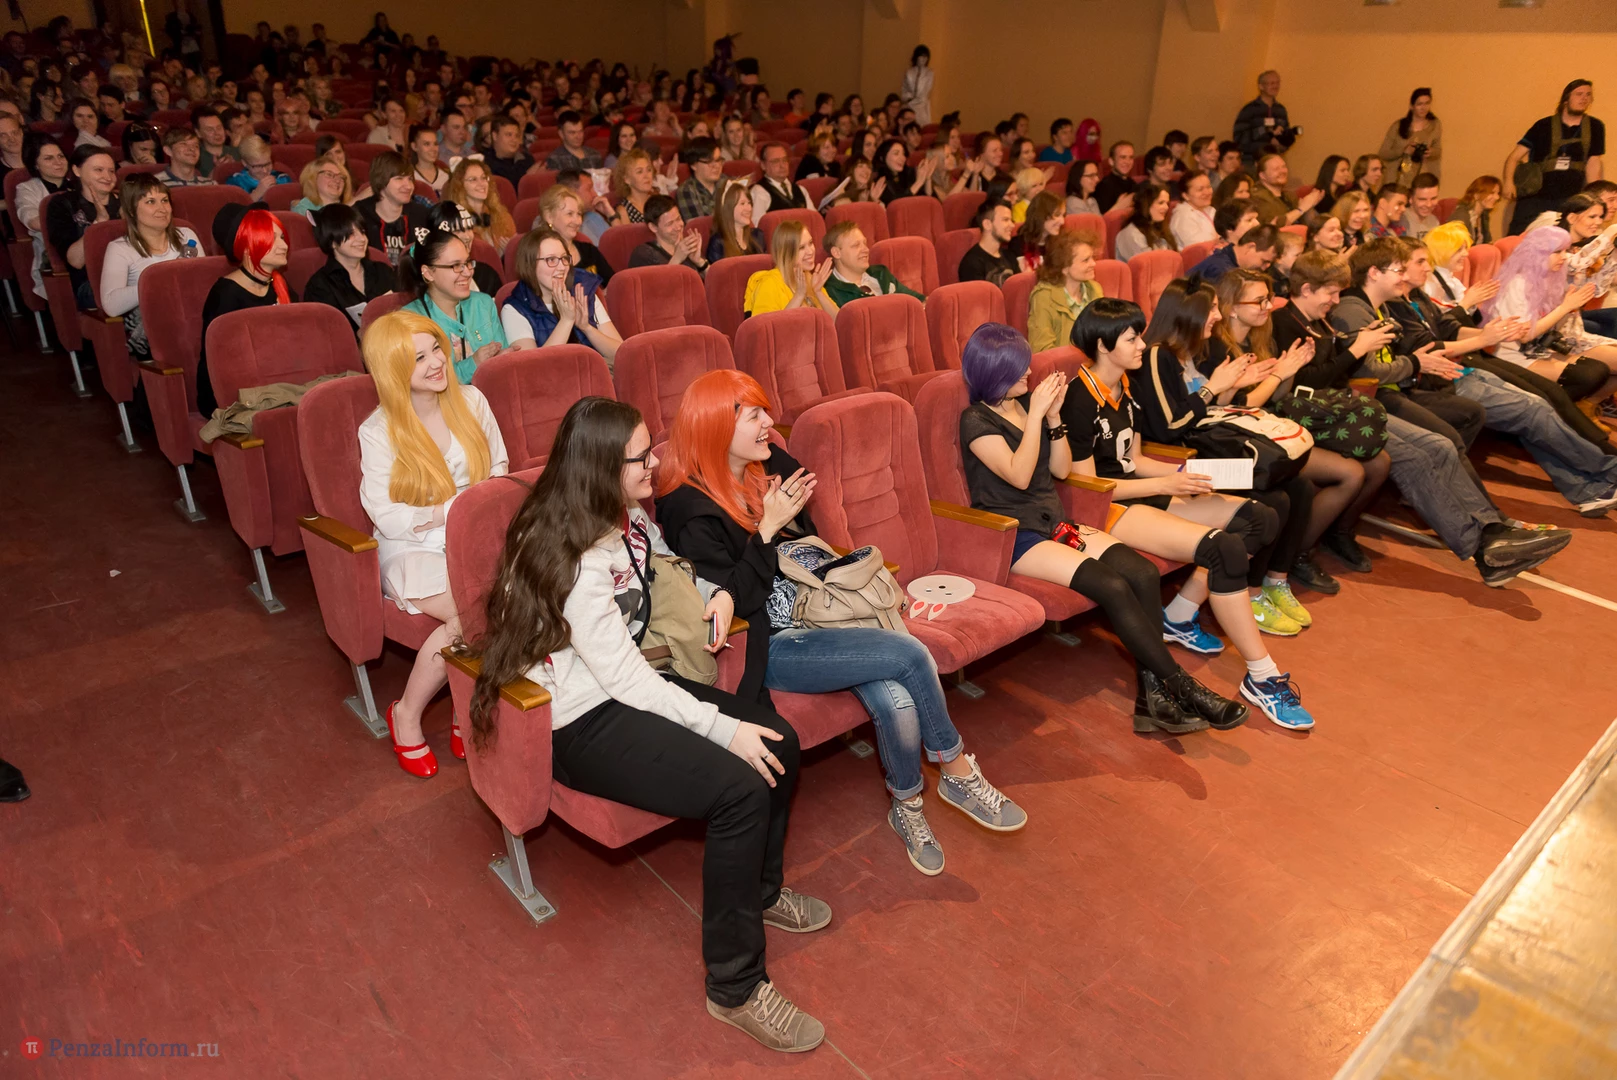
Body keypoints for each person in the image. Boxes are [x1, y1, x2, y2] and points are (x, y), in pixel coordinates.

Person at [468, 394, 828, 1052]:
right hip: (579, 721)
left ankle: (759, 892)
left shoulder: (621, 516)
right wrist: (722, 730)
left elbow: (657, 607)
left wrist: (719, 597)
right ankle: (735, 987)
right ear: (603, 468)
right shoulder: (576, 558)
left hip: (626, 683)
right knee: (740, 788)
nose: (654, 463)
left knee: (781, 742)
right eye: (640, 458)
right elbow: (625, 682)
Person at [659, 368, 1026, 875]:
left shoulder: (764, 462)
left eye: (766, 411)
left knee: (896, 696)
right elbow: (736, 601)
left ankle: (907, 805)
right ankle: (957, 769)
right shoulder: (686, 508)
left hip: (825, 608)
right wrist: (765, 530)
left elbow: (807, 530)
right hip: (775, 641)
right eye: (755, 415)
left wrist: (778, 519)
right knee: (910, 653)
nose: (769, 423)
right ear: (718, 427)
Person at [957, 322, 1246, 732]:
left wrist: (1052, 418)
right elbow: (1019, 476)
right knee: (1112, 586)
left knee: (1141, 573)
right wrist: (1037, 414)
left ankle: (1151, 700)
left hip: (1056, 522)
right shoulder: (975, 419)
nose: (1029, 373)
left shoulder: (1025, 406)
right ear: (997, 371)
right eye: (1020, 367)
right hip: (1016, 534)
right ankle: (1184, 688)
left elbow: (1060, 470)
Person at [1063, 299, 1313, 729]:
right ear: (1103, 345)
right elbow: (1088, 484)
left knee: (1260, 518)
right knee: (1224, 549)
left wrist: (1185, 476)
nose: (1142, 345)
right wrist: (1166, 485)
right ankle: (1262, 675)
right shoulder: (1079, 397)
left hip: (1140, 491)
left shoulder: (1124, 385)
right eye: (1132, 338)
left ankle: (1178, 614)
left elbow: (1134, 459)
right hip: (1105, 508)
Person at [1274, 249, 1569, 584]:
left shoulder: (1319, 318)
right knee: (1413, 458)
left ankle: (1493, 529)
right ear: (1306, 289)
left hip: (1344, 407)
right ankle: (1483, 551)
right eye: (1330, 293)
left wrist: (1362, 347)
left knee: (1439, 444)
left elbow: (1339, 374)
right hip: (1316, 416)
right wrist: (1356, 349)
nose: (1336, 300)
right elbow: (1305, 385)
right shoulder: (1285, 323)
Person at [357, 306, 505, 775]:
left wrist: (469, 515)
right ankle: (406, 714)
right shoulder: (377, 430)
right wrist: (451, 509)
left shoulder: (472, 400)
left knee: (520, 597)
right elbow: (388, 515)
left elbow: (498, 468)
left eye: (436, 348)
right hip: (411, 547)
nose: (437, 362)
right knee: (471, 614)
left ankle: (463, 705)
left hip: (473, 534)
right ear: (393, 370)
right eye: (419, 358)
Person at [1134, 280, 1318, 631]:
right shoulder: (1158, 355)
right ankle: (1251, 593)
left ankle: (1275, 581)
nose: (1217, 316)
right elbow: (1168, 427)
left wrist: (1230, 386)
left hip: (1207, 448)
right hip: (1182, 460)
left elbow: (1207, 412)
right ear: (1189, 313)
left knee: (1301, 487)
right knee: (1275, 499)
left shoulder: (1193, 350)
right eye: (1212, 309)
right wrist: (1211, 388)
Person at [1389, 237, 1617, 516]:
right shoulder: (1394, 304)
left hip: (1461, 369)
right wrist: (1484, 338)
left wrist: (1491, 334)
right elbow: (1429, 348)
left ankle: (1587, 490)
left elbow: (1449, 328)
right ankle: (1606, 471)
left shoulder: (1415, 295)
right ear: (1398, 268)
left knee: (1536, 406)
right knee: (1532, 409)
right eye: (1420, 262)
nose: (1428, 267)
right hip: (1439, 381)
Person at [1207, 268, 1391, 591]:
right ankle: (1297, 556)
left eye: (1268, 298)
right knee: (1349, 474)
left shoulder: (1260, 337)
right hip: (1242, 435)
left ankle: (1338, 535)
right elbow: (1239, 406)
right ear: (1232, 307)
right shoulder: (1217, 348)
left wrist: (1289, 370)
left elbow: (1277, 396)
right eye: (1259, 301)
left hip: (1272, 424)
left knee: (1379, 462)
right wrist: (1280, 374)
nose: (1268, 306)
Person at [1480, 226, 1617, 408]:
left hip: (1545, 344)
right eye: (1558, 252)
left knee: (1596, 370)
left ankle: (1585, 409)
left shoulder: (1553, 277)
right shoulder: (1518, 284)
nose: (1564, 257)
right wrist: (1565, 307)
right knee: (1591, 374)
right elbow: (1525, 335)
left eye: (1566, 251)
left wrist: (1614, 254)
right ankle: (1562, 414)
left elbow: (1594, 289)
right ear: (1538, 254)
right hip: (1515, 352)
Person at [198, 205, 295, 418]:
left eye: (282, 237)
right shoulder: (225, 294)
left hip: (274, 381)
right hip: (232, 394)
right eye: (272, 238)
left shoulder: (279, 284)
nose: (284, 245)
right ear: (247, 246)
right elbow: (221, 362)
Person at [99, 175, 201, 358]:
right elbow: (111, 305)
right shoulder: (120, 249)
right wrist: (158, 282)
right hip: (155, 325)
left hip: (193, 314)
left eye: (164, 200)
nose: (162, 209)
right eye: (151, 202)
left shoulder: (186, 236)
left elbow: (203, 282)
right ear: (131, 210)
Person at [399, 229, 507, 383]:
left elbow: (503, 359)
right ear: (428, 273)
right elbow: (422, 382)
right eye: (456, 265)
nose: (468, 273)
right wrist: (474, 363)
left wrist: (506, 359)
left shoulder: (483, 303)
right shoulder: (410, 320)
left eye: (467, 263)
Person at [501, 226, 622, 360]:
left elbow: (620, 353)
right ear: (530, 265)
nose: (562, 267)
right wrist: (566, 321)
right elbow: (531, 366)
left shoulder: (582, 289)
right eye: (551, 260)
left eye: (564, 258)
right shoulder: (514, 309)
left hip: (593, 369)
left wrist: (587, 328)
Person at [1504, 79, 1604, 235]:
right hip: (1536, 195)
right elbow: (1514, 157)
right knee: (1519, 237)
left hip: (1570, 197)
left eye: (1588, 95)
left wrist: (1593, 196)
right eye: (1579, 94)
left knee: (1563, 238)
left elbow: (1593, 162)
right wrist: (1508, 183)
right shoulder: (1543, 125)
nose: (1584, 98)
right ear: (1566, 99)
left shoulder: (1595, 127)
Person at [303, 203, 399, 331]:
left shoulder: (383, 271)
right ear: (332, 242)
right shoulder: (320, 286)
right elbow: (325, 334)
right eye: (351, 233)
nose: (362, 239)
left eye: (362, 232)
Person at [47, 145, 119, 310]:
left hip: (131, 273)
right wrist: (99, 223)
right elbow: (75, 261)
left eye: (111, 171)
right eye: (99, 170)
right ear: (76, 170)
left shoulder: (126, 202)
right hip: (91, 283)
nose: (107, 177)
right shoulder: (62, 204)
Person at [1026, 229, 1102, 353]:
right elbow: (1042, 350)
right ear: (1064, 268)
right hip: (1063, 365)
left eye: (1093, 258)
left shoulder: (1094, 289)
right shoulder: (1044, 297)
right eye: (1086, 260)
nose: (1093, 263)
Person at [742, 219, 837, 318]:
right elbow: (767, 326)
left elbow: (839, 322)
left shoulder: (811, 279)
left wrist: (818, 292)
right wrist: (799, 296)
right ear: (786, 253)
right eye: (801, 247)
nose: (810, 251)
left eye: (810, 243)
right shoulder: (769, 283)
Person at [16, 135, 70, 300]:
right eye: (49, 158)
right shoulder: (27, 189)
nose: (58, 162)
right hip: (53, 252)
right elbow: (32, 221)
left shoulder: (80, 183)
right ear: (35, 164)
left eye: (61, 156)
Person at [822, 220, 923, 307]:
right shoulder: (829, 290)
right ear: (836, 253)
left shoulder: (880, 274)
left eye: (865, 243)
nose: (866, 249)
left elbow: (917, 300)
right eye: (856, 245)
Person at [355, 150, 429, 268]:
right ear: (381, 180)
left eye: (410, 179)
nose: (409, 186)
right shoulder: (359, 215)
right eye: (399, 178)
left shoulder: (421, 214)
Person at [424, 201, 503, 296]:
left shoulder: (487, 276)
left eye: (469, 228)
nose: (467, 236)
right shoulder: (423, 278)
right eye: (457, 230)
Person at [538, 182, 613, 283]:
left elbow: (613, 283)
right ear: (549, 217)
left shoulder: (589, 251)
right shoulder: (539, 256)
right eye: (570, 214)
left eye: (579, 214)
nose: (578, 221)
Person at [442, 157, 515, 257]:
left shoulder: (502, 215)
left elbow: (516, 250)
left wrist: (510, 251)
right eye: (473, 180)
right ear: (460, 185)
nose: (481, 184)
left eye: (483, 178)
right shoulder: (455, 222)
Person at [1379, 88, 1442, 188]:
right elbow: (1383, 153)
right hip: (1398, 178)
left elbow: (1438, 150)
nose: (1423, 108)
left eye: (1427, 103)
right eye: (1419, 104)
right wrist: (1403, 151)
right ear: (1412, 106)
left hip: (1421, 178)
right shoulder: (1398, 126)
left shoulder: (1435, 125)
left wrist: (1430, 152)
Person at [629, 193, 708, 273]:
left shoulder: (687, 246)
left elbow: (713, 278)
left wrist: (699, 261)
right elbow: (656, 281)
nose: (678, 227)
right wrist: (677, 259)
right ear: (653, 227)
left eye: (678, 219)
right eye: (670, 224)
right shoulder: (643, 254)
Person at [1233, 70, 1297, 165]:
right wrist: (1267, 137)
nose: (1275, 86)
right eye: (1271, 83)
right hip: (1252, 162)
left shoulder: (1281, 110)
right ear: (1261, 86)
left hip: (1274, 161)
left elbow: (1286, 135)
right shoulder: (1249, 109)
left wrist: (1282, 144)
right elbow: (1239, 138)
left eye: (1277, 83)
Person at [1186, 220, 1278, 286]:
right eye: (1264, 261)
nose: (1265, 267)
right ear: (1251, 247)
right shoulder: (1221, 271)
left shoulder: (1228, 261)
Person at [1247, 154, 1322, 228]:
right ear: (1262, 175)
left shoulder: (1289, 195)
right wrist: (1302, 208)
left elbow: (1309, 224)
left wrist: (1309, 204)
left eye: (1284, 167)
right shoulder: (1257, 197)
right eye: (1276, 169)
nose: (1282, 171)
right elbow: (1274, 225)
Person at [958, 200, 1018, 287]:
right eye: (1005, 220)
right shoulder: (971, 263)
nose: (1012, 225)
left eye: (1011, 220)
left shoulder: (1010, 256)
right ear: (987, 224)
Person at [1114, 183, 1177, 263]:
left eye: (1167, 203)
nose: (1166, 207)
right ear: (1146, 204)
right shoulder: (1131, 233)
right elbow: (1148, 265)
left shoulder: (1158, 227)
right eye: (1161, 203)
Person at [707, 180, 764, 265]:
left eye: (749, 203)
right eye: (742, 203)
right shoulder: (718, 243)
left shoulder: (758, 236)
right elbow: (717, 272)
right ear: (727, 208)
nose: (749, 208)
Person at [1006, 190, 1065, 273]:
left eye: (1063, 215)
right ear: (1041, 215)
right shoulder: (1018, 244)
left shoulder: (1061, 244)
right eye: (1057, 215)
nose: (1062, 221)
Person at [750, 141, 811, 219]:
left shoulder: (801, 190)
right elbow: (758, 224)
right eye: (775, 161)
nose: (782, 165)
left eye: (784, 160)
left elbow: (814, 219)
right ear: (763, 165)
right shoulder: (759, 192)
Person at [225, 136, 292, 199]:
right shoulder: (236, 182)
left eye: (268, 164)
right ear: (245, 163)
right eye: (258, 166)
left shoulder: (282, 178)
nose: (265, 171)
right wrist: (257, 194)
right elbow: (236, 207)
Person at [677, 136, 724, 222]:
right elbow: (700, 226)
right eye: (709, 161)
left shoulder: (725, 181)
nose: (717, 166)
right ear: (694, 165)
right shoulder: (687, 190)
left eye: (718, 160)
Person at [485, 114, 536, 190]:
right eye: (509, 135)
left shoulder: (527, 159)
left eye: (517, 136)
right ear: (495, 136)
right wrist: (526, 178)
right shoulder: (485, 164)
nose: (514, 140)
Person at [1445, 176, 1500, 244]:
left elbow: (1487, 242)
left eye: (1498, 193)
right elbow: (1454, 245)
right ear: (1476, 195)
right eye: (1492, 193)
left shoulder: (1484, 215)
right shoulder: (1461, 215)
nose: (1497, 197)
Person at [611, 147, 658, 224]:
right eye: (639, 172)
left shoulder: (657, 200)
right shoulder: (623, 211)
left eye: (649, 170)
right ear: (626, 179)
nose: (646, 176)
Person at [1093, 141, 1138, 218]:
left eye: (1131, 157)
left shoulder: (1133, 184)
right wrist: (1119, 206)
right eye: (1123, 157)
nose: (1127, 162)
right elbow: (1102, 220)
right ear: (1111, 161)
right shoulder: (1104, 186)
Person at [194, 107, 237, 174]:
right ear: (198, 133)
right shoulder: (195, 157)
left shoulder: (238, 152)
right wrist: (217, 170)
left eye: (219, 127)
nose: (217, 133)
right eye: (210, 129)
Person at [899, 44, 932, 126]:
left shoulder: (929, 73)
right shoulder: (909, 72)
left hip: (922, 106)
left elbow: (925, 91)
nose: (924, 59)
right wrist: (908, 97)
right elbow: (904, 90)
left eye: (926, 57)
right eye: (921, 56)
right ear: (916, 57)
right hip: (909, 104)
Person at [407, 124, 445, 193]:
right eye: (427, 144)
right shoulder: (408, 177)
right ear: (414, 146)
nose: (433, 149)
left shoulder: (446, 175)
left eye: (435, 144)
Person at [1402, 174, 1442, 238]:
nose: (1429, 205)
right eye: (1422, 199)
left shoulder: (1434, 221)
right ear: (1411, 199)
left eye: (1433, 198)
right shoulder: (1400, 221)